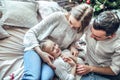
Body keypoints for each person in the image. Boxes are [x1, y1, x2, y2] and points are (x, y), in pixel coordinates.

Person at [22, 3, 93, 80]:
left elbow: (70, 39)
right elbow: (30, 33)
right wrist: (41, 53)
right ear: (71, 13)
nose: (71, 27)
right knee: (33, 77)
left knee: (46, 78)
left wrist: (72, 45)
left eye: (76, 27)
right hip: (36, 49)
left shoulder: (84, 28)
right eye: (70, 22)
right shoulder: (57, 17)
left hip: (54, 57)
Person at [76, 11, 120, 80]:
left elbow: (114, 70)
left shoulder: (118, 44)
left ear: (111, 36)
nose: (91, 36)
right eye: (91, 31)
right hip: (88, 64)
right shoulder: (90, 24)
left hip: (108, 72)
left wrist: (91, 69)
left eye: (96, 36)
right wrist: (72, 45)